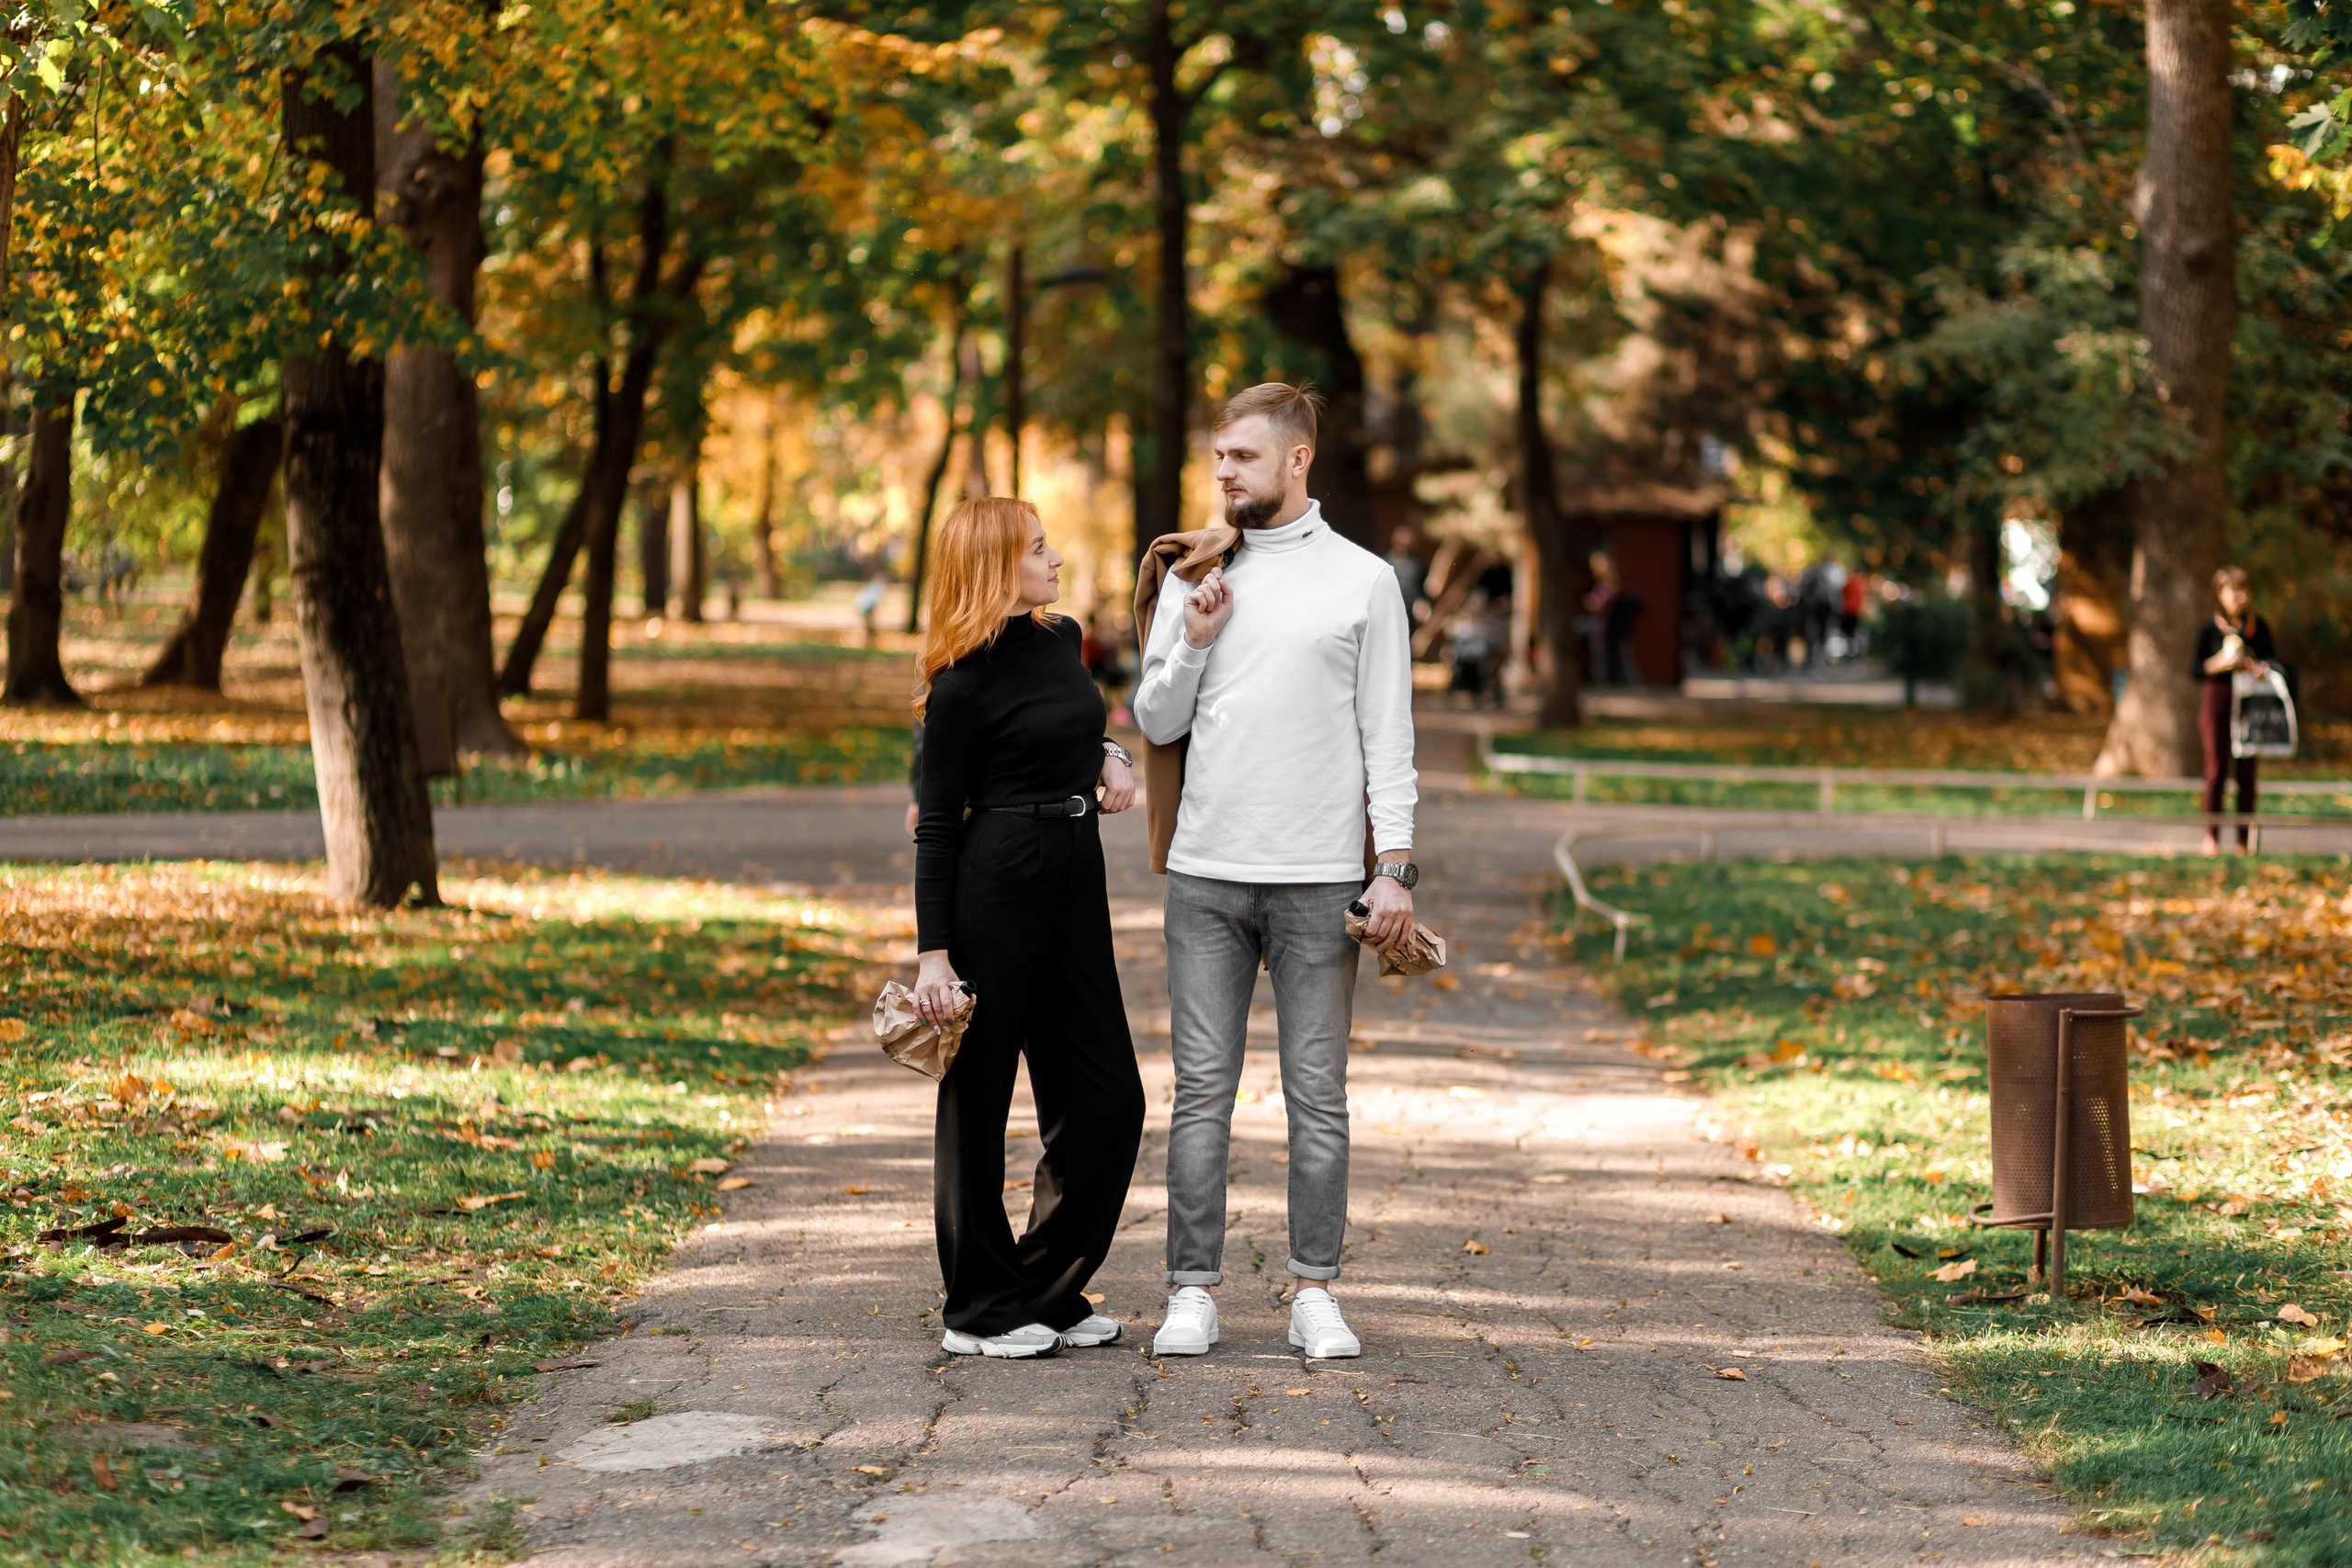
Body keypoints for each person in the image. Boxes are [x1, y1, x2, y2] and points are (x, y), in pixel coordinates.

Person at [1131, 382, 1418, 1362]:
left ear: (1297, 461)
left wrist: (1395, 870)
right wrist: (1195, 645)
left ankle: (1314, 1290)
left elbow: (1391, 738)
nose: (1222, 476)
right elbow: (1156, 721)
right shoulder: (1194, 575)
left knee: (1317, 1094)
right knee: (1199, 1091)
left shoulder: (1363, 580)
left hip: (1317, 880)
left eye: (1241, 460)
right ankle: (1192, 1291)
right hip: (1206, 873)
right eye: (1217, 460)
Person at [906, 498, 1147, 1359]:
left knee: (1108, 1097)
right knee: (979, 1097)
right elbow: (936, 823)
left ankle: (1040, 1283)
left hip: (1077, 871)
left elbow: (1080, 726)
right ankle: (977, 1306)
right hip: (996, 879)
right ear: (997, 565)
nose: (1054, 557)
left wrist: (1111, 756)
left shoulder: (1061, 637)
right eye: (1039, 547)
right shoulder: (959, 684)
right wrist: (934, 955)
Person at [2195, 566, 2278, 856]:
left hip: (2250, 705)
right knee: (2216, 769)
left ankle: (2244, 839)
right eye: (2232, 590)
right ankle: (2211, 836)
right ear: (2220, 594)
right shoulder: (2210, 629)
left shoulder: (2258, 627)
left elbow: (2274, 663)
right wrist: (2221, 661)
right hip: (2217, 702)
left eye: (2243, 590)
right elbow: (2196, 669)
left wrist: (2259, 668)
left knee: (2247, 773)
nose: (2239, 596)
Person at [1385, 527, 1428, 627]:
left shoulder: (1417, 564)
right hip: (1389, 609)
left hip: (1410, 612)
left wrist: (1422, 604)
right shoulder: (1384, 563)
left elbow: (1422, 589)